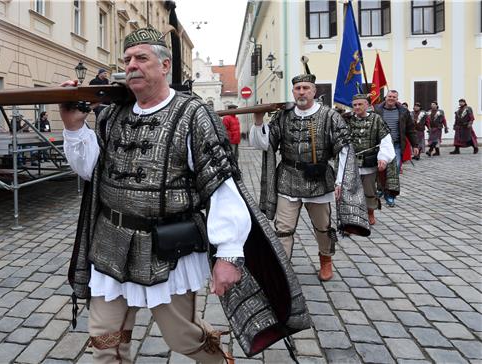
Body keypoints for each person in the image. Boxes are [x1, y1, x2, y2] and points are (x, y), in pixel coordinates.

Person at [59, 27, 309, 363]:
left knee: (182, 338)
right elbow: (91, 170)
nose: (132, 65)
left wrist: (229, 254)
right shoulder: (111, 115)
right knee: (105, 341)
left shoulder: (193, 116)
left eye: (141, 58)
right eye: (127, 59)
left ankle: (219, 358)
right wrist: (74, 126)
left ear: (164, 66)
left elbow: (221, 185)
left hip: (168, 248)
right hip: (111, 245)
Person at [249, 72, 358, 282]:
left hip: (319, 180)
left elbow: (343, 148)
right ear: (293, 91)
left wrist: (340, 181)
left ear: (314, 91)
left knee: (323, 227)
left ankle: (326, 259)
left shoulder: (329, 116)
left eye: (306, 88)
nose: (301, 92)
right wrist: (258, 121)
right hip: (288, 179)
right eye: (298, 89)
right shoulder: (283, 116)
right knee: (283, 229)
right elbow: (264, 144)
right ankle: (282, 268)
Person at [343, 94, 394, 225]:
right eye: (354, 105)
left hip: (369, 162)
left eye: (360, 104)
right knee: (351, 190)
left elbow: (385, 139)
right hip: (351, 162)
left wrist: (383, 157)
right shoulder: (346, 120)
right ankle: (354, 214)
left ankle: (370, 212)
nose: (357, 107)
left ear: (367, 105)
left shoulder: (376, 119)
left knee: (369, 190)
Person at [374, 90, 418, 207]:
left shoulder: (403, 111)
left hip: (397, 145)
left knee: (395, 168)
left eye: (394, 97)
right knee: (380, 168)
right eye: (389, 96)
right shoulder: (377, 110)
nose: (391, 98)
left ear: (397, 99)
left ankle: (390, 194)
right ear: (386, 97)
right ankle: (380, 188)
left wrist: (415, 145)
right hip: (380, 145)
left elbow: (410, 129)